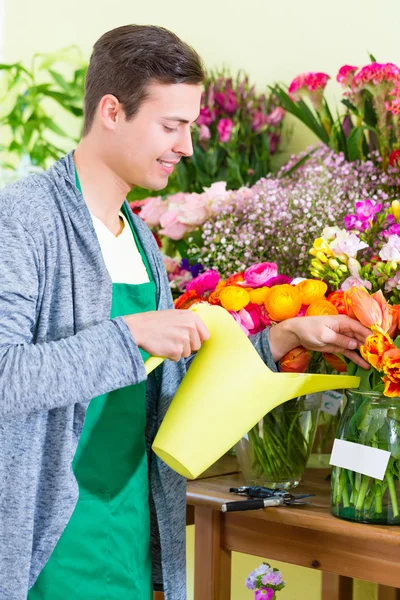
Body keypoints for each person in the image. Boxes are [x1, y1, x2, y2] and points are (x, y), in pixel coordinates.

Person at [0, 24, 370, 600]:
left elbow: (168, 384)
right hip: (45, 550)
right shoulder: (24, 221)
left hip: (126, 536)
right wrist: (128, 335)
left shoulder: (141, 239)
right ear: (112, 112)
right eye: (171, 126)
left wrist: (282, 337)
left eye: (191, 127)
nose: (187, 147)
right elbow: (5, 377)